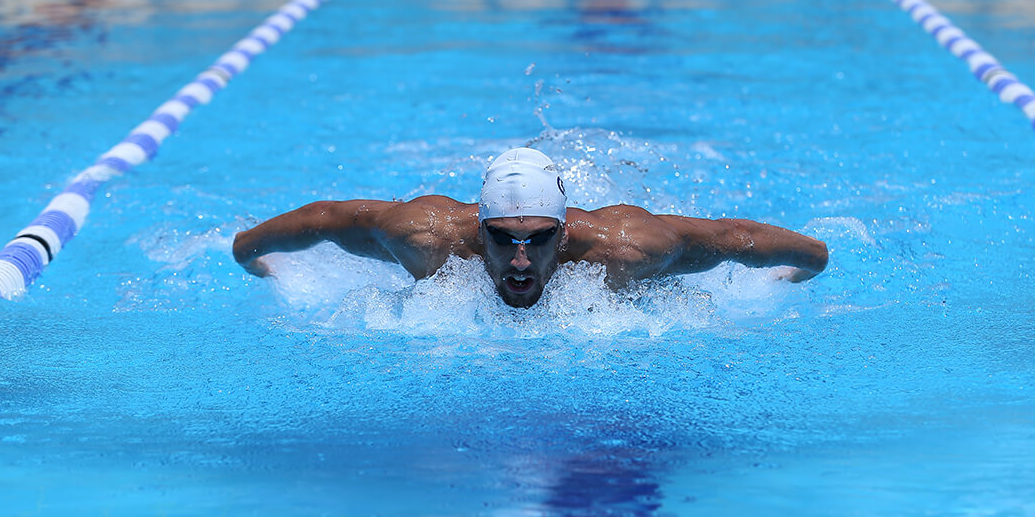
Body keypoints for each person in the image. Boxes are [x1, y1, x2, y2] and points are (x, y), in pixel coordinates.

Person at [233, 148, 828, 308]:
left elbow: (732, 238)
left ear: (565, 234)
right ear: (479, 230)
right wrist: (247, 254)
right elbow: (323, 219)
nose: (521, 260)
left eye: (540, 239)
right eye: (504, 239)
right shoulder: (428, 238)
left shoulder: (626, 249)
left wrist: (807, 265)